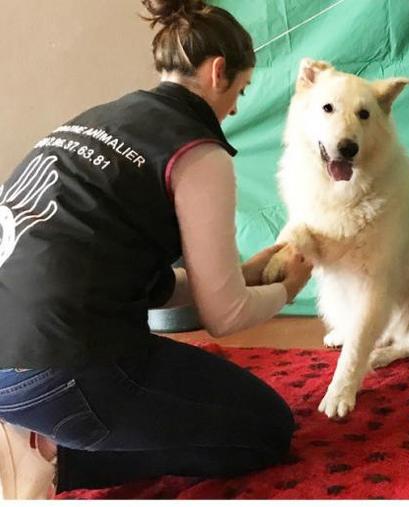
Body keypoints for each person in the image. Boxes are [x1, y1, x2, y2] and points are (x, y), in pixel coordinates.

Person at [0, 0, 312, 499]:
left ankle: (31, 425)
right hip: (63, 369)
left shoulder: (99, 118)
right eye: (240, 90)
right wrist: (288, 289)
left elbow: (134, 282)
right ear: (217, 73)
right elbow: (225, 316)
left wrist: (244, 273)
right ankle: (61, 461)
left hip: (10, 361)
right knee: (266, 430)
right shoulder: (197, 152)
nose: (234, 108)